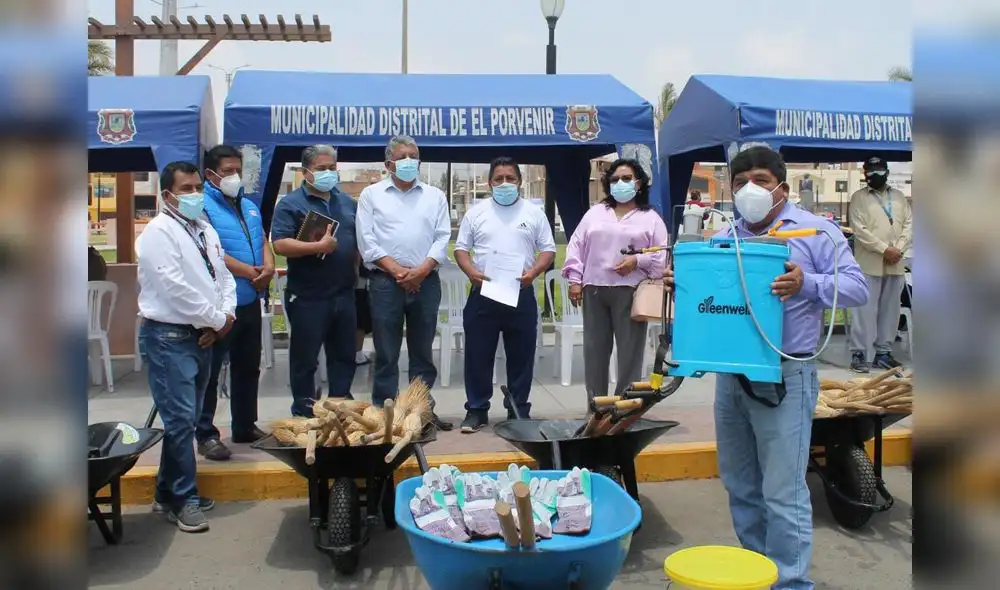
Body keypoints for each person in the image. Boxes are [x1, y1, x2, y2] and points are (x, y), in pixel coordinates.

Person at [665, 146, 868, 589]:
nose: (749, 190)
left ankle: (792, 583)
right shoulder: (726, 236)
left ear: (783, 186)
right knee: (741, 487)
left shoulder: (818, 232)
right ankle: (756, 575)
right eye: (739, 183)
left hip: (784, 378)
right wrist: (685, 282)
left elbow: (856, 288)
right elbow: (715, 299)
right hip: (731, 380)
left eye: (759, 179)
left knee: (783, 493)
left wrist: (807, 284)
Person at [136, 161, 237, 532]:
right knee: (179, 422)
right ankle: (184, 498)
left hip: (203, 334)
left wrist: (224, 316)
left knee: (188, 420)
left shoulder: (205, 229)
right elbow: (173, 287)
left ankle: (166, 493)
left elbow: (222, 276)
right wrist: (213, 319)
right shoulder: (157, 233)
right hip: (170, 338)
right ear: (168, 195)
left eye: (198, 187)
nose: (195, 195)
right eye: (187, 189)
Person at [453, 157, 556, 432]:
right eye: (498, 179)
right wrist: (472, 273)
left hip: (520, 292)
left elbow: (548, 250)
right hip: (483, 292)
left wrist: (533, 273)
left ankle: (518, 408)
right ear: (489, 183)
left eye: (510, 178)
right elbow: (461, 249)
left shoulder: (533, 213)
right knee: (477, 354)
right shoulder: (477, 212)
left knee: (521, 355)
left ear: (520, 182)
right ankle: (476, 409)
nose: (504, 183)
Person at [357, 135, 453, 431]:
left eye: (415, 156)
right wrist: (399, 271)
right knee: (386, 352)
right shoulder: (371, 195)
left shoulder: (434, 196)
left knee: (423, 352)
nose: (410, 161)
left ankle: (421, 412)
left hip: (426, 281)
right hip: (386, 283)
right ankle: (384, 417)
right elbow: (367, 240)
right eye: (403, 157)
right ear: (388, 164)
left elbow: (442, 237)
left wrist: (421, 271)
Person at [562, 158, 668, 400]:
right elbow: (577, 245)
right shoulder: (595, 213)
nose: (621, 183)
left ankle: (625, 408)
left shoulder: (650, 217)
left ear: (639, 183)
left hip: (631, 292)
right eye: (615, 179)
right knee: (595, 351)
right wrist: (575, 280)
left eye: (627, 178)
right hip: (595, 290)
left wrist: (637, 261)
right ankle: (596, 406)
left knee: (630, 353)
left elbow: (662, 254)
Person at [196, 145, 273, 461]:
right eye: (228, 171)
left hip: (251, 299)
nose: (234, 176)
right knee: (211, 373)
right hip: (221, 305)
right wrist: (249, 272)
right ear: (211, 174)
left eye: (238, 170)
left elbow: (263, 239)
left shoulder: (249, 205)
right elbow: (207, 250)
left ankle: (245, 425)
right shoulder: (203, 207)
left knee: (247, 367)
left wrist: (268, 266)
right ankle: (206, 433)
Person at [271, 145, 358, 417]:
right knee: (305, 360)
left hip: (344, 293)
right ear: (305, 172)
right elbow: (280, 245)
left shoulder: (345, 202)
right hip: (308, 296)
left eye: (332, 167)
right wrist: (316, 247)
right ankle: (305, 411)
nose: (329, 173)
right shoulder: (290, 204)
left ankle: (339, 406)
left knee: (344, 356)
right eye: (322, 169)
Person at [847, 156, 912, 373]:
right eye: (870, 171)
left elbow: (909, 226)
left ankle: (883, 353)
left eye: (878, 170)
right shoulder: (858, 197)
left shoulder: (900, 197)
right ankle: (859, 353)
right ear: (864, 173)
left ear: (886, 172)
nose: (874, 175)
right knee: (863, 310)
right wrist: (885, 249)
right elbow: (859, 230)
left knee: (890, 310)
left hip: (895, 263)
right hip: (869, 262)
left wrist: (898, 249)